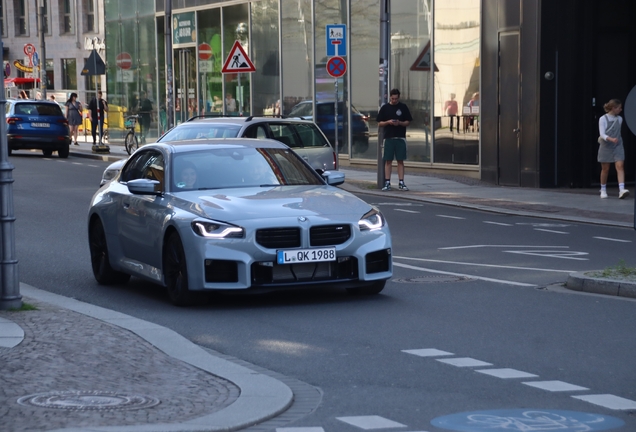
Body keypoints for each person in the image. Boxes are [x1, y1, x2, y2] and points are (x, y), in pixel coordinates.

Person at [376, 89, 413, 191]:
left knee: (400, 160)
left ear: (399, 97)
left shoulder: (403, 107)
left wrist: (399, 123)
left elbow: (408, 122)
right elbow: (379, 123)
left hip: (400, 137)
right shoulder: (385, 108)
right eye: (392, 99)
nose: (394, 100)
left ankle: (401, 182)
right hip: (388, 138)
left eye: (396, 99)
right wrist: (388, 122)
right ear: (390, 98)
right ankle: (387, 182)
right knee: (388, 160)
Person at [598, 99, 629, 199]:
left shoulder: (619, 119)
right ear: (613, 108)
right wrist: (611, 139)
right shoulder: (602, 119)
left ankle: (621, 189)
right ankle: (603, 189)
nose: (621, 110)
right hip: (606, 145)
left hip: (617, 145)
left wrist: (615, 140)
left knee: (620, 166)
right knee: (605, 169)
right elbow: (602, 134)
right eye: (619, 108)